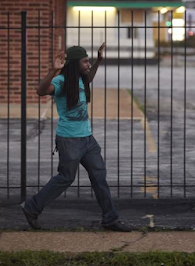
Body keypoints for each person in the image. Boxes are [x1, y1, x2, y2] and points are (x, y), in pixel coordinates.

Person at [20, 43, 132, 232]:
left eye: (89, 61)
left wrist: (99, 61)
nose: (88, 64)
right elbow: (41, 91)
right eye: (85, 61)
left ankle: (110, 219)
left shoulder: (80, 79)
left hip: (88, 139)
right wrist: (53, 70)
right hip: (69, 140)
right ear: (74, 64)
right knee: (65, 178)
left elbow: (89, 78)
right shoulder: (61, 81)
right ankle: (31, 207)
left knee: (99, 178)